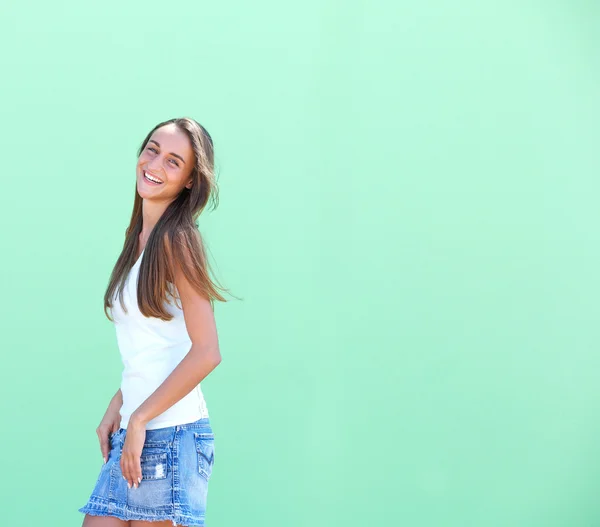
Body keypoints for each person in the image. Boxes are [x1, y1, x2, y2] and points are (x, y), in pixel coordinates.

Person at [79, 117, 230, 527]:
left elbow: (207, 352)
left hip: (171, 435)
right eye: (152, 149)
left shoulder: (178, 240)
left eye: (173, 161)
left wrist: (141, 417)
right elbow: (155, 346)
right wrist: (121, 403)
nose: (155, 164)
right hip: (135, 430)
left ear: (188, 181)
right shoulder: (139, 241)